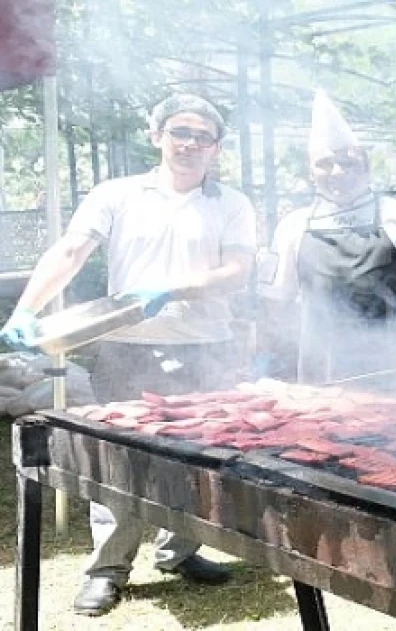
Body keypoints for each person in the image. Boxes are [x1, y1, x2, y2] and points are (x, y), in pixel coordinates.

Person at [0, 93, 256, 615]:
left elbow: (237, 271)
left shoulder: (231, 203)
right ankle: (107, 568)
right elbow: (71, 250)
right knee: (115, 462)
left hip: (206, 346)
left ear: (216, 148)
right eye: (179, 131)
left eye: (201, 136)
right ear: (157, 136)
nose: (189, 143)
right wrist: (25, 310)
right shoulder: (116, 194)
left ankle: (179, 550)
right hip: (127, 346)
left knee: (197, 460)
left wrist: (176, 289)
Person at [257, 91, 396, 392]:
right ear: (311, 172)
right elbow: (275, 299)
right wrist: (268, 351)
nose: (337, 172)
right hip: (322, 367)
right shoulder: (292, 225)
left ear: (366, 167)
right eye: (325, 164)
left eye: (348, 162)